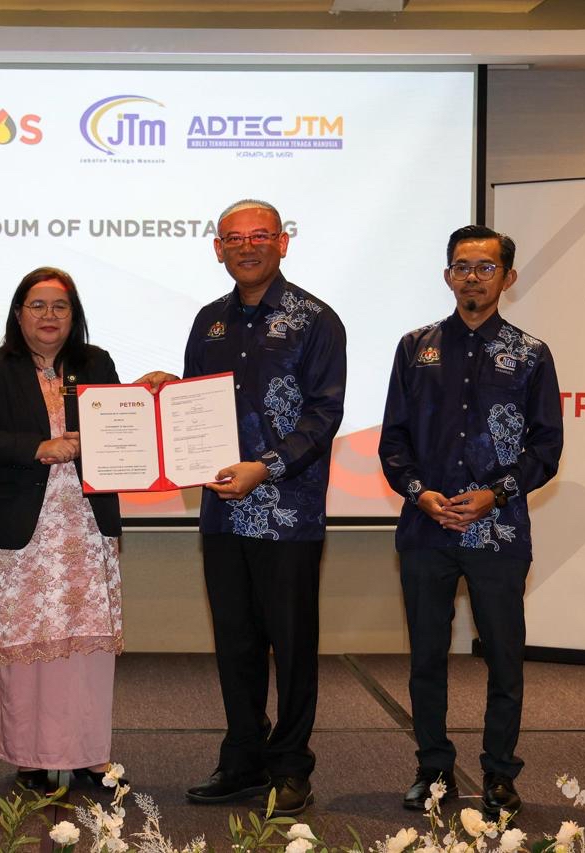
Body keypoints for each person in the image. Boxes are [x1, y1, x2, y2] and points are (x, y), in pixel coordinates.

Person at [142, 199, 346, 813]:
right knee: (235, 643)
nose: (247, 246)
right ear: (218, 249)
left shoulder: (316, 320)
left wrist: (267, 467)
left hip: (288, 512)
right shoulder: (209, 321)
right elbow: (196, 409)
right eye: (235, 238)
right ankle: (244, 759)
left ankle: (291, 766)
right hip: (223, 511)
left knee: (293, 645)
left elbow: (324, 415)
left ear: (283, 242)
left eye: (260, 236)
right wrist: (167, 393)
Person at [379, 225, 562, 818]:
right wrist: (419, 493)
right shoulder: (415, 348)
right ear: (447, 275)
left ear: (508, 277)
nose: (472, 278)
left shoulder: (531, 354)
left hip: (499, 533)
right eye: (462, 266)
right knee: (426, 659)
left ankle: (500, 774)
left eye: (485, 268)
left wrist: (495, 494)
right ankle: (433, 770)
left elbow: (546, 448)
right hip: (426, 530)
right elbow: (393, 441)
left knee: (504, 659)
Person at [0, 267, 125, 791]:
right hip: (24, 526)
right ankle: (31, 756)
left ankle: (89, 754)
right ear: (19, 313)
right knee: (28, 641)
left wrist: (148, 399)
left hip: (85, 522)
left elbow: (122, 428)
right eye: (37, 305)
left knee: (87, 644)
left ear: (73, 315)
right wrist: (37, 448)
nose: (49, 315)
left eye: (60, 306)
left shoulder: (96, 363)